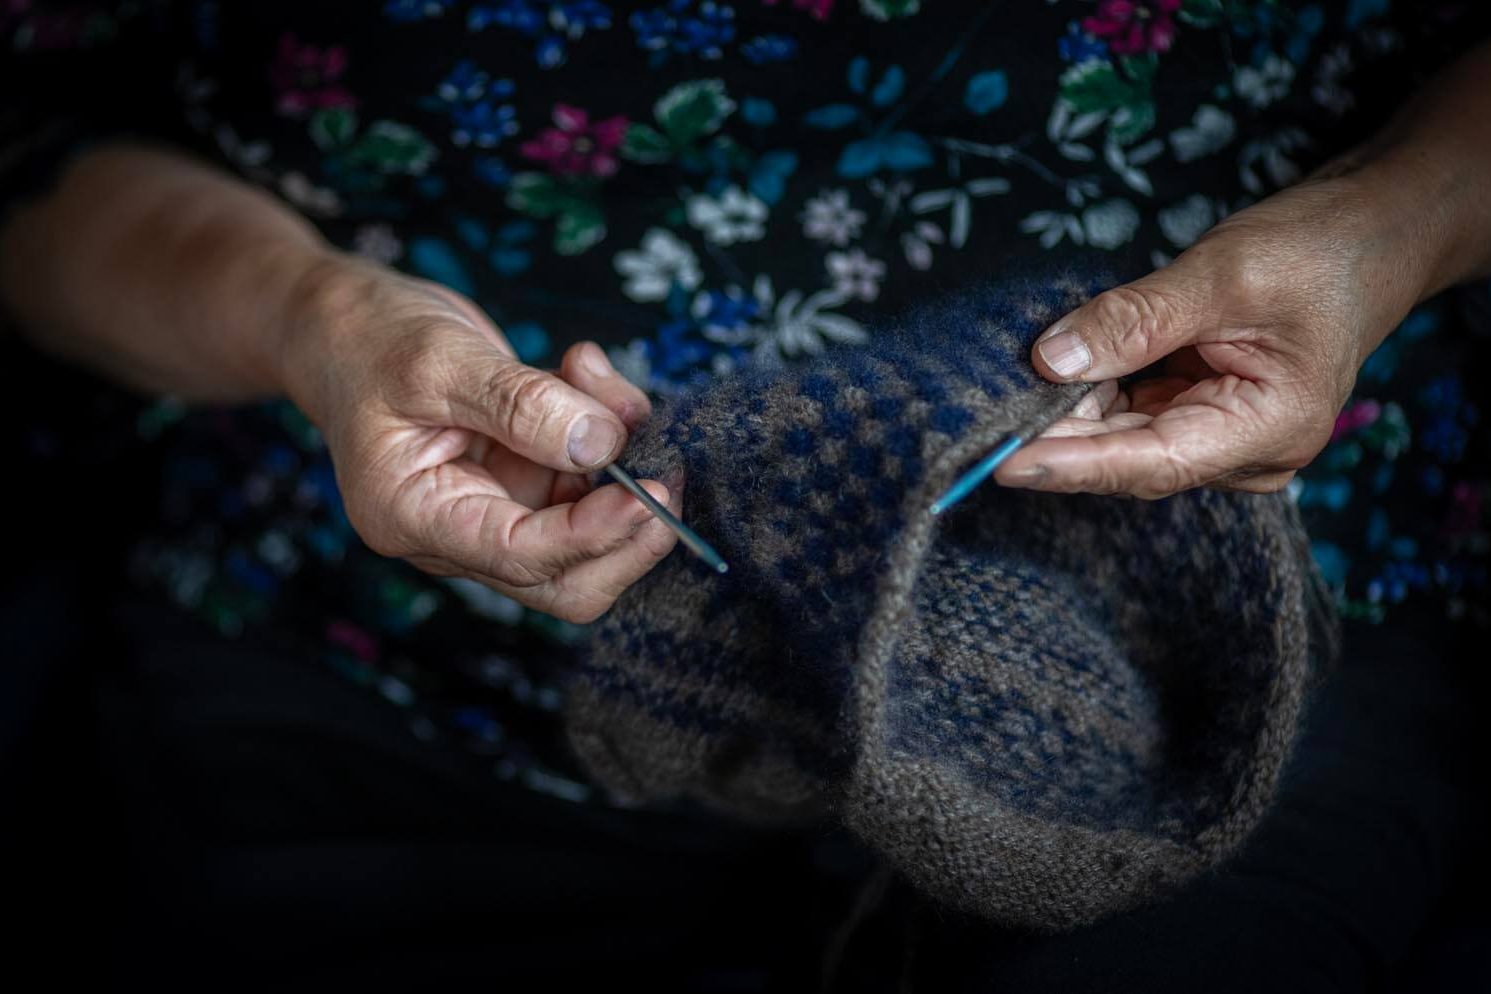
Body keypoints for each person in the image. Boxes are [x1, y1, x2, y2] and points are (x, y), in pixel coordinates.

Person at [1, 1, 1487, 988]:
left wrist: (1393, 226)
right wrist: (308, 320)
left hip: (1193, 670)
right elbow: (35, 152)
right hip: (378, 673)